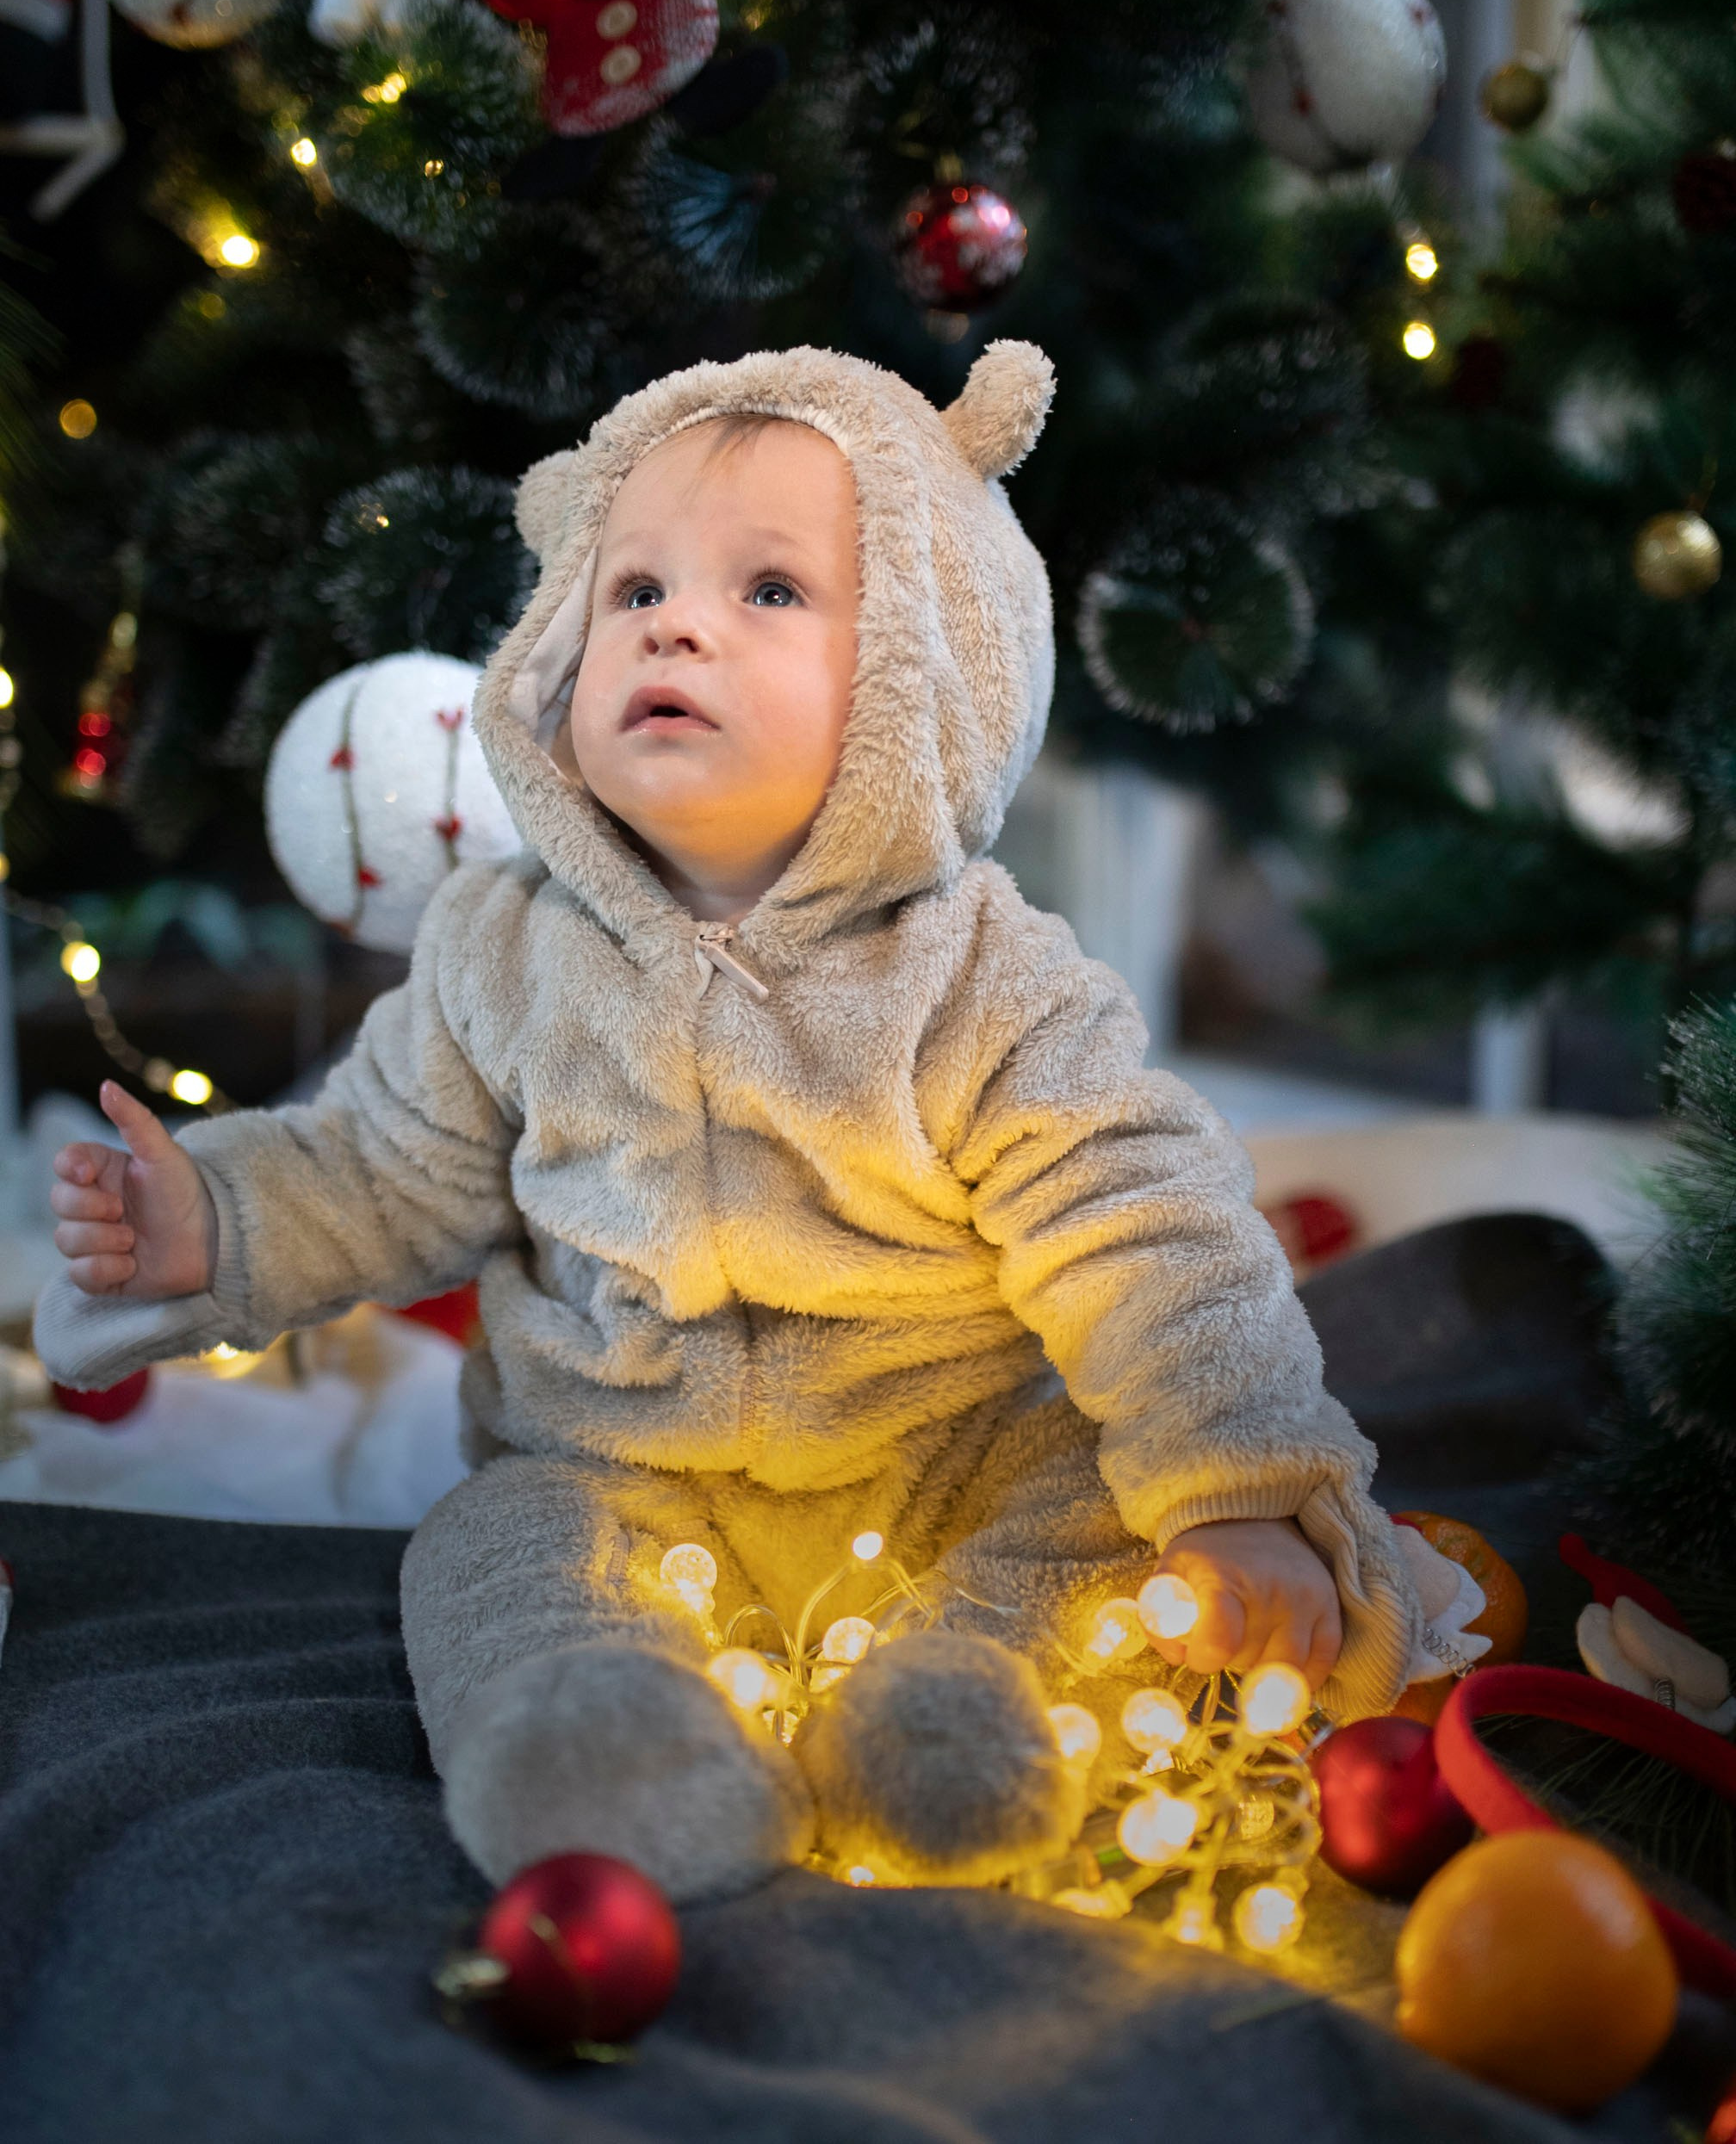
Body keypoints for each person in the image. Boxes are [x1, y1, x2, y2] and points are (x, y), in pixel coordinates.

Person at [34, 342, 1419, 1900]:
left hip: (938, 1453)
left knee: (1097, 1511)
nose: (679, 621)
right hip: (626, 1469)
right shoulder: (502, 945)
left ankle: (958, 1718)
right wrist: (209, 1222)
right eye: (634, 592)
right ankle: (607, 1753)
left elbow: (1144, 1223)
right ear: (560, 650)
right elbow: (385, 1163)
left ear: (922, 662)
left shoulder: (984, 976)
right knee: (482, 1551)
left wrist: (1235, 1490)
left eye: (770, 591)